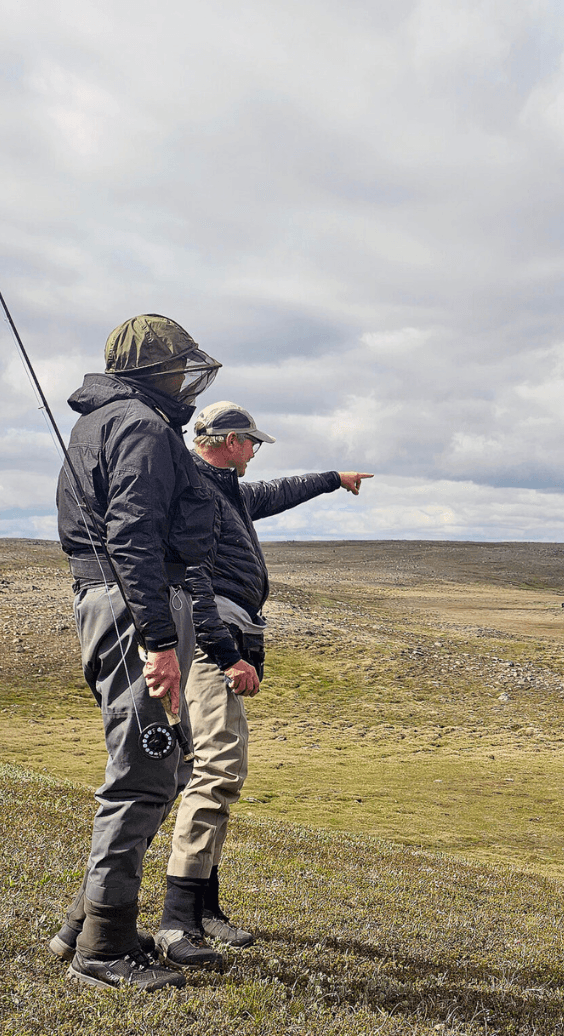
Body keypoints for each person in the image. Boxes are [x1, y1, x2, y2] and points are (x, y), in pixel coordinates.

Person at [155, 400, 373, 970]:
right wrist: (225, 655)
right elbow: (196, 581)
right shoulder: (199, 495)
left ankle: (204, 910)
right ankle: (177, 921)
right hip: (211, 645)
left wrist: (332, 479)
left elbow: (278, 493)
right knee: (217, 768)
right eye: (251, 442)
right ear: (228, 441)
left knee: (206, 768)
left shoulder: (227, 492)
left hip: (225, 640)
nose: (255, 452)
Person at [50, 314, 222, 991]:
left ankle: (88, 922)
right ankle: (104, 951)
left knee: (165, 764)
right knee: (145, 772)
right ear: (158, 371)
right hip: (134, 609)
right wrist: (158, 640)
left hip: (116, 605)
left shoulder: (104, 421)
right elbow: (133, 536)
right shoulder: (144, 428)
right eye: (180, 368)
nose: (188, 381)